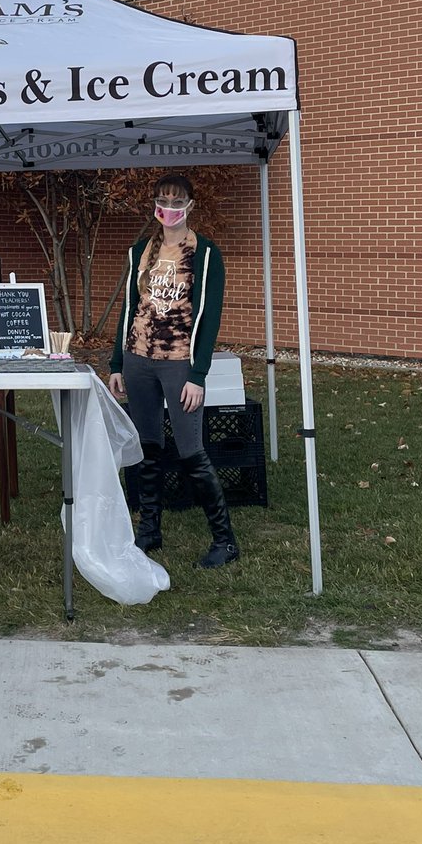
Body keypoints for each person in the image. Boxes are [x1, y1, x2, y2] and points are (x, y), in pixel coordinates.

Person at [109, 174, 239, 568]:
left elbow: (209, 315)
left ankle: (225, 540)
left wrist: (198, 374)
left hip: (179, 361)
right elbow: (129, 310)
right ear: (155, 206)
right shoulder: (140, 252)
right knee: (148, 447)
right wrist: (117, 363)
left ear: (190, 207)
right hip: (138, 360)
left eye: (177, 202)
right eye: (163, 201)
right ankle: (150, 529)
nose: (169, 209)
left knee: (191, 450)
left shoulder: (206, 253)